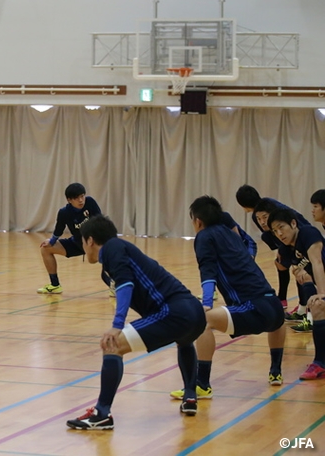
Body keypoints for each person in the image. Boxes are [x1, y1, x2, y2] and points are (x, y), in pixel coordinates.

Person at [66, 215, 206, 430]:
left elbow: (126, 283)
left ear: (90, 240)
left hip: (175, 311)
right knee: (184, 340)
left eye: (83, 243)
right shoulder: (116, 254)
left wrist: (118, 325)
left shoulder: (112, 248)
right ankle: (190, 396)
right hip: (193, 312)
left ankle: (102, 413)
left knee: (113, 345)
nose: (84, 249)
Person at [171, 196, 286, 401]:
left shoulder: (204, 236)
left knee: (202, 322)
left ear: (197, 221)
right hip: (274, 306)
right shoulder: (230, 233)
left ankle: (202, 385)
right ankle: (276, 370)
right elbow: (250, 245)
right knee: (275, 318)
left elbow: (208, 274)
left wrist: (206, 304)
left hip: (253, 308)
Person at [268, 208, 325, 380]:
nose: (279, 233)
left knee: (320, 304)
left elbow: (317, 262)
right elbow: (289, 269)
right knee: (317, 308)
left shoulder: (308, 233)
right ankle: (320, 362)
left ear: (293, 223)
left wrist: (322, 293)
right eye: (275, 231)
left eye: (281, 227)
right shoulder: (286, 249)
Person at [236, 184, 310, 310]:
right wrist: (280, 250)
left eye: (265, 218)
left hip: (300, 238)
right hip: (288, 241)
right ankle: (283, 298)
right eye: (260, 219)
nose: (262, 221)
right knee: (280, 264)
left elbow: (290, 226)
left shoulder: (270, 208)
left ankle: (304, 307)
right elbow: (272, 233)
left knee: (300, 270)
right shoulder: (260, 213)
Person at [37, 183, 101, 294]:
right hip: (77, 244)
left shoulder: (90, 202)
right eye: (77, 198)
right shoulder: (64, 213)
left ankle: (114, 285)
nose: (81, 200)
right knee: (45, 249)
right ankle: (55, 285)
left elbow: (100, 221)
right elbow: (58, 230)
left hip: (94, 243)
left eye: (82, 196)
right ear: (69, 200)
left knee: (110, 251)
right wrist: (51, 242)